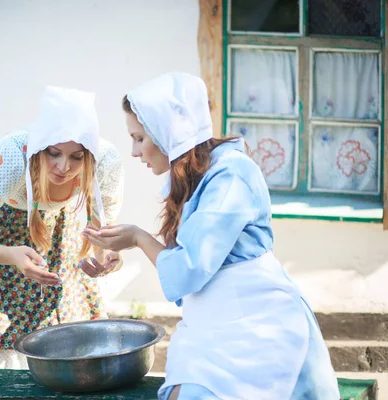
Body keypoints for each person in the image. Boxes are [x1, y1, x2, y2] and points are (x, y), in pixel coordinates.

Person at [83, 72, 339, 399]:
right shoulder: (195, 179)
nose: (134, 152)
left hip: (257, 321)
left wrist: (138, 238)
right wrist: (123, 246)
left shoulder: (231, 175)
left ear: (167, 133)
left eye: (139, 138)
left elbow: (189, 268)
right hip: (214, 318)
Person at [0, 86, 125, 369]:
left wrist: (109, 257)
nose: (64, 167)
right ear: (41, 145)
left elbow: (103, 232)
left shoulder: (104, 161)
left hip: (57, 246)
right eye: (54, 153)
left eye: (77, 157)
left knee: (67, 356)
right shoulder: (11, 158)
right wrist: (10, 255)